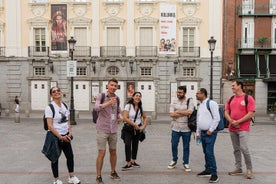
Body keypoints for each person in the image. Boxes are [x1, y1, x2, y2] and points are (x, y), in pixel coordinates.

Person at [44, 87, 80, 184]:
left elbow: (68, 121)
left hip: (66, 135)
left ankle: (71, 176)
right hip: (55, 137)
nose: (57, 92)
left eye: (58, 90)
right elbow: (50, 126)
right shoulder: (49, 107)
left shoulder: (65, 105)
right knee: (54, 158)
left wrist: (70, 132)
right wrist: (60, 137)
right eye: (54, 91)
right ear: (51, 95)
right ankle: (56, 180)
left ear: (61, 92)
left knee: (70, 156)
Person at [94, 78, 123, 184]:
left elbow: (118, 110)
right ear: (107, 85)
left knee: (113, 152)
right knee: (101, 153)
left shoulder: (117, 98)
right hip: (102, 129)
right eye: (112, 85)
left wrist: (120, 116)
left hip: (113, 129)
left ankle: (113, 171)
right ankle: (98, 176)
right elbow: (96, 108)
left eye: (115, 86)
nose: (113, 87)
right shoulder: (101, 96)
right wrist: (109, 102)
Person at [225, 80, 255, 179]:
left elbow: (251, 113)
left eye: (233, 85)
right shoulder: (230, 99)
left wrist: (238, 122)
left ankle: (249, 169)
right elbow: (226, 112)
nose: (232, 87)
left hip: (243, 128)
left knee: (244, 148)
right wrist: (231, 121)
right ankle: (238, 168)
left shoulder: (248, 98)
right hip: (232, 128)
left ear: (239, 86)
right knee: (236, 149)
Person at [195, 88, 220, 183]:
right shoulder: (200, 105)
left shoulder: (212, 103)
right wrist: (198, 133)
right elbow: (198, 120)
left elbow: (216, 118)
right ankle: (207, 170)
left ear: (203, 94)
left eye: (197, 93)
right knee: (205, 152)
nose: (196, 95)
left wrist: (211, 129)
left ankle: (214, 174)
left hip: (210, 133)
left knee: (209, 152)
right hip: (202, 133)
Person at [168, 86, 194, 172]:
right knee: (174, 145)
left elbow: (190, 112)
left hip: (186, 128)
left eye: (180, 92)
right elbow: (171, 114)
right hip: (175, 127)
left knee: (186, 146)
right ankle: (174, 160)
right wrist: (184, 113)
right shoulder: (174, 100)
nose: (178, 94)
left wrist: (178, 111)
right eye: (178, 92)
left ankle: (186, 163)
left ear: (184, 93)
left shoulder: (190, 101)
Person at [121, 92, 147, 170]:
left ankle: (133, 161)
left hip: (137, 129)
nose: (138, 97)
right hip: (128, 128)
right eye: (136, 96)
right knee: (127, 145)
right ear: (133, 97)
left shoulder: (140, 107)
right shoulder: (128, 106)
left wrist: (143, 126)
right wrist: (134, 125)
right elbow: (125, 118)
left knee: (135, 145)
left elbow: (145, 117)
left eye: (139, 96)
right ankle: (128, 163)